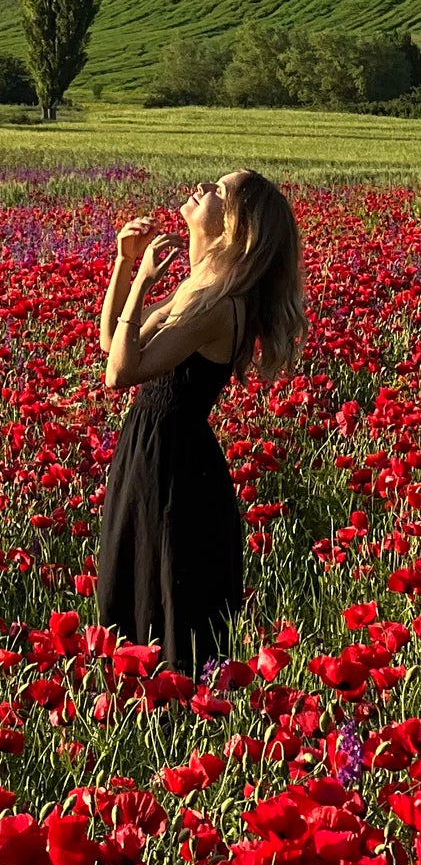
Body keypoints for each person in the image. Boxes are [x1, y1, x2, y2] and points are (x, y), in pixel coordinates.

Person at [95, 169, 305, 677]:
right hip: (157, 449)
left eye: (218, 190)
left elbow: (120, 373)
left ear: (233, 225)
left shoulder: (219, 305)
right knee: (136, 580)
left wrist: (144, 280)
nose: (202, 188)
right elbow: (111, 346)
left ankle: (171, 721)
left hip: (171, 463)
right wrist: (124, 267)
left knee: (162, 593)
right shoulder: (202, 287)